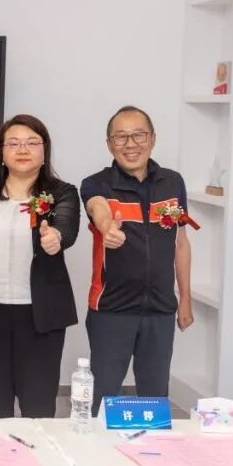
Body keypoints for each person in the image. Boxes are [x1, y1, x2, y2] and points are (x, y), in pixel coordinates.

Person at [81, 105, 194, 415]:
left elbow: (181, 243)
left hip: (160, 310)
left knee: (154, 402)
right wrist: (107, 226)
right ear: (109, 144)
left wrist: (185, 299)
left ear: (153, 139)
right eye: (121, 137)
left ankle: (150, 446)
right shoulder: (96, 183)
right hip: (111, 310)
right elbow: (97, 207)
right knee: (103, 400)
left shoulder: (173, 183)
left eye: (139, 135)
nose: (130, 144)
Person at [0, 114, 80, 417]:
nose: (23, 149)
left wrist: (55, 237)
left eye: (32, 143)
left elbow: (66, 224)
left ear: (45, 150)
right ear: (1, 152)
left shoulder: (61, 192)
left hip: (41, 314)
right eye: (14, 143)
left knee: (38, 405)